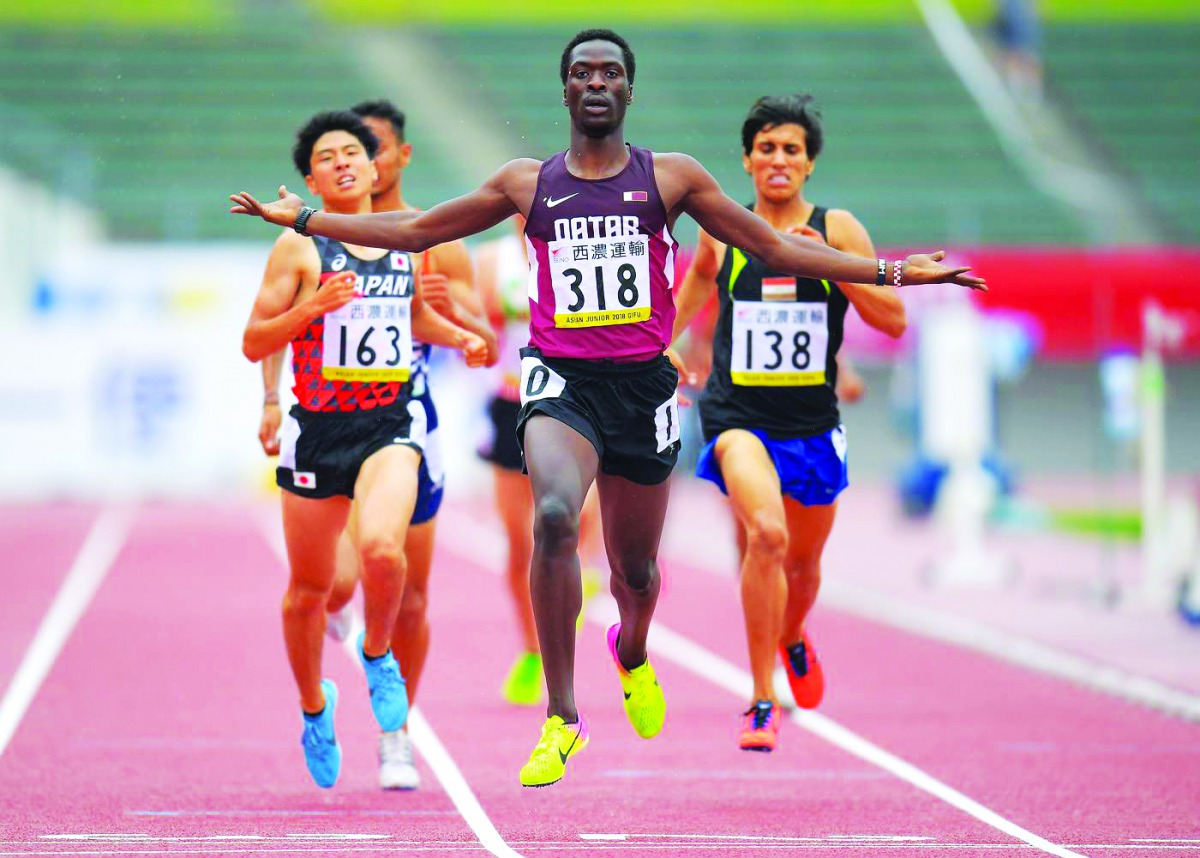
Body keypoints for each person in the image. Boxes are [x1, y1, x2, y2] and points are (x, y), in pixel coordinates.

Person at [231, 29, 984, 788]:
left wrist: (892, 271)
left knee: (637, 570)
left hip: (644, 391)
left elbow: (776, 248)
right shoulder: (527, 183)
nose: (596, 82)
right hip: (561, 381)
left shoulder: (672, 180)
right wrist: (305, 222)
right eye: (582, 72)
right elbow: (413, 229)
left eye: (611, 72)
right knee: (553, 516)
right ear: (565, 91)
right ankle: (562, 716)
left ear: (628, 90)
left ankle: (630, 650)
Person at [242, 109, 487, 789]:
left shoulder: (410, 242)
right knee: (308, 594)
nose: (345, 162)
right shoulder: (297, 249)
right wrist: (308, 312)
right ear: (312, 180)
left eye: (354, 151)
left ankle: (378, 653)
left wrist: (461, 337)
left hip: (392, 424)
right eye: (328, 156)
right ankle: (315, 707)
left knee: (385, 549)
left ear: (378, 166)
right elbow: (256, 342)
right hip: (318, 431)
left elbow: (414, 318)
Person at [671, 94, 904, 751]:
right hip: (738, 416)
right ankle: (761, 697)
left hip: (812, 424)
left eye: (791, 150)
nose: (779, 159)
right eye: (766, 148)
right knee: (765, 537)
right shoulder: (723, 231)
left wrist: (827, 266)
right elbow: (679, 305)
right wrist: (658, 344)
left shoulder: (840, 230)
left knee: (802, 567)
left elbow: (893, 320)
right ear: (747, 161)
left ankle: (794, 634)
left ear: (808, 166)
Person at [475, 215, 604, 708]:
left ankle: (582, 571)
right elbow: (484, 324)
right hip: (513, 401)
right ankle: (531, 652)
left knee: (579, 515)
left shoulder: (582, 251)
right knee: (516, 538)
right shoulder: (493, 259)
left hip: (572, 400)